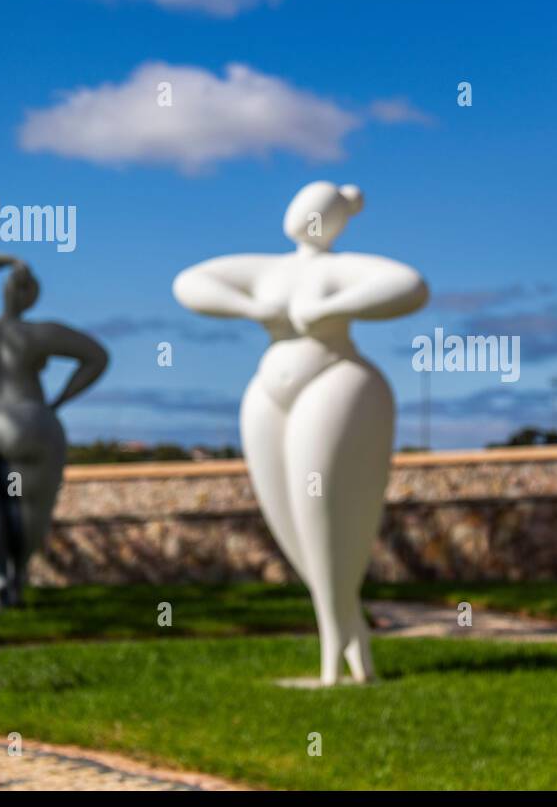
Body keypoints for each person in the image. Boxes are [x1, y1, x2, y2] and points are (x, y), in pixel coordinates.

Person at [174, 181, 428, 685]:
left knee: (325, 516)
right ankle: (345, 637)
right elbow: (191, 283)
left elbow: (408, 285)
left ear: (337, 215)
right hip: (269, 394)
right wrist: (251, 309)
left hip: (336, 380)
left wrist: (332, 308)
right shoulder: (270, 269)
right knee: (290, 519)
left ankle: (339, 654)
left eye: (317, 206)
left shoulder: (338, 268)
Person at [0, 253, 108, 610]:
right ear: (32, 297)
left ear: (4, 293)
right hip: (24, 416)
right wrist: (59, 401)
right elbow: (97, 357)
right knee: (29, 505)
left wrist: (3, 259)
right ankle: (17, 573)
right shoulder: (41, 334)